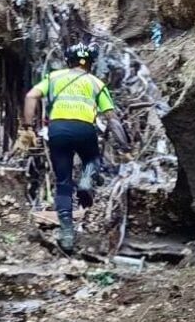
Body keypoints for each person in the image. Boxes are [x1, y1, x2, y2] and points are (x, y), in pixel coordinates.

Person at [22, 42, 130, 251]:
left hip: (58, 130)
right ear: (90, 63)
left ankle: (67, 234)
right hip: (84, 129)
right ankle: (87, 180)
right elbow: (112, 118)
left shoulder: (54, 78)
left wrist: (27, 127)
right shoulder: (96, 83)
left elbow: (30, 96)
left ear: (68, 61)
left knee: (63, 183)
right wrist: (124, 147)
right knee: (93, 160)